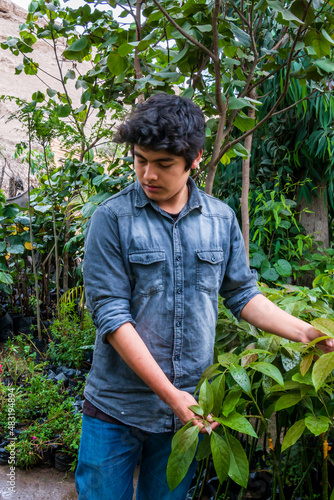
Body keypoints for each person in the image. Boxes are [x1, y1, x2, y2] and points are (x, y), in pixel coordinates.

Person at [75, 93, 333, 500]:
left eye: (163, 165)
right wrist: (171, 395)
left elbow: (242, 293)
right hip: (116, 408)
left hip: (189, 409)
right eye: (140, 159)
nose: (148, 174)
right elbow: (111, 316)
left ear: (195, 159)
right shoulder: (111, 219)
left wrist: (307, 334)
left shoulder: (220, 219)